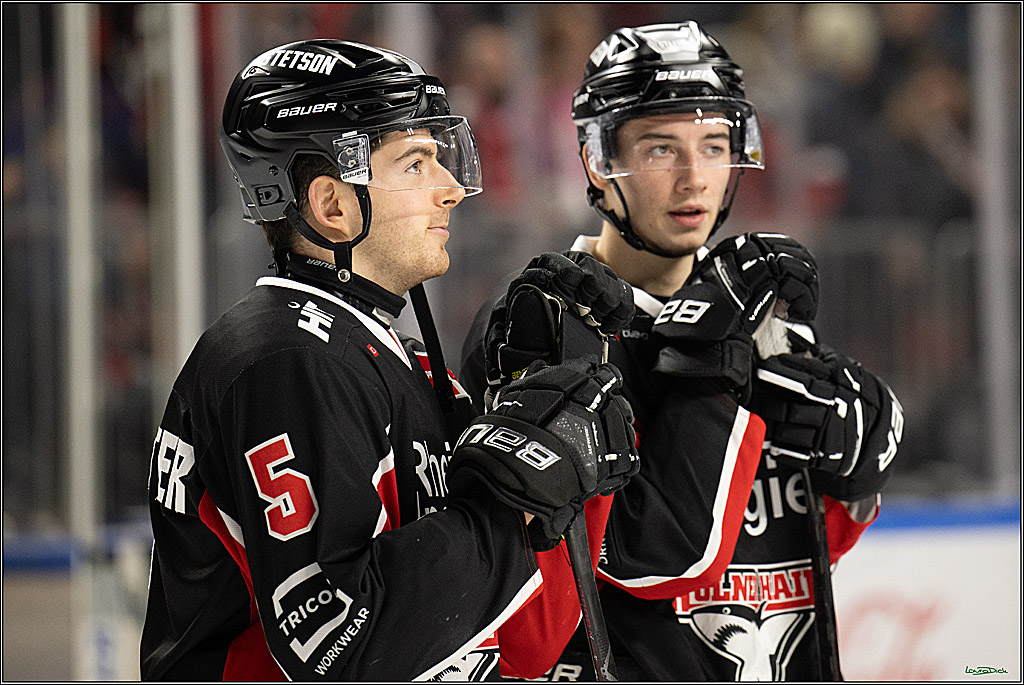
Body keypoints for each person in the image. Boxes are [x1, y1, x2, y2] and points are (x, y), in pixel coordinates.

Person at [140, 39, 639, 681]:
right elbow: (339, 641)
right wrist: (507, 504)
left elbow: (520, 643)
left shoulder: (383, 354)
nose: (451, 190)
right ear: (333, 205)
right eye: (415, 163)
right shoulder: (285, 363)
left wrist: (549, 431)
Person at [461, 22, 904, 681]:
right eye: (662, 148)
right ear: (596, 160)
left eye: (715, 145)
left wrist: (861, 464)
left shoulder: (758, 301)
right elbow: (652, 556)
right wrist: (709, 350)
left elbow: (804, 537)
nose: (695, 177)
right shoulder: (542, 322)